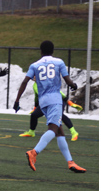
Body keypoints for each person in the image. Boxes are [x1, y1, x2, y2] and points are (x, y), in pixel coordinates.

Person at [14, 40, 85, 173]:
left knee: (59, 131)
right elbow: (68, 81)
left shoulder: (34, 65)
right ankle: (34, 152)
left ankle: (71, 162)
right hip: (55, 99)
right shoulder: (59, 62)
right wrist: (74, 85)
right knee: (53, 129)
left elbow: (24, 82)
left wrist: (17, 100)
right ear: (53, 51)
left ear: (41, 51)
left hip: (43, 101)